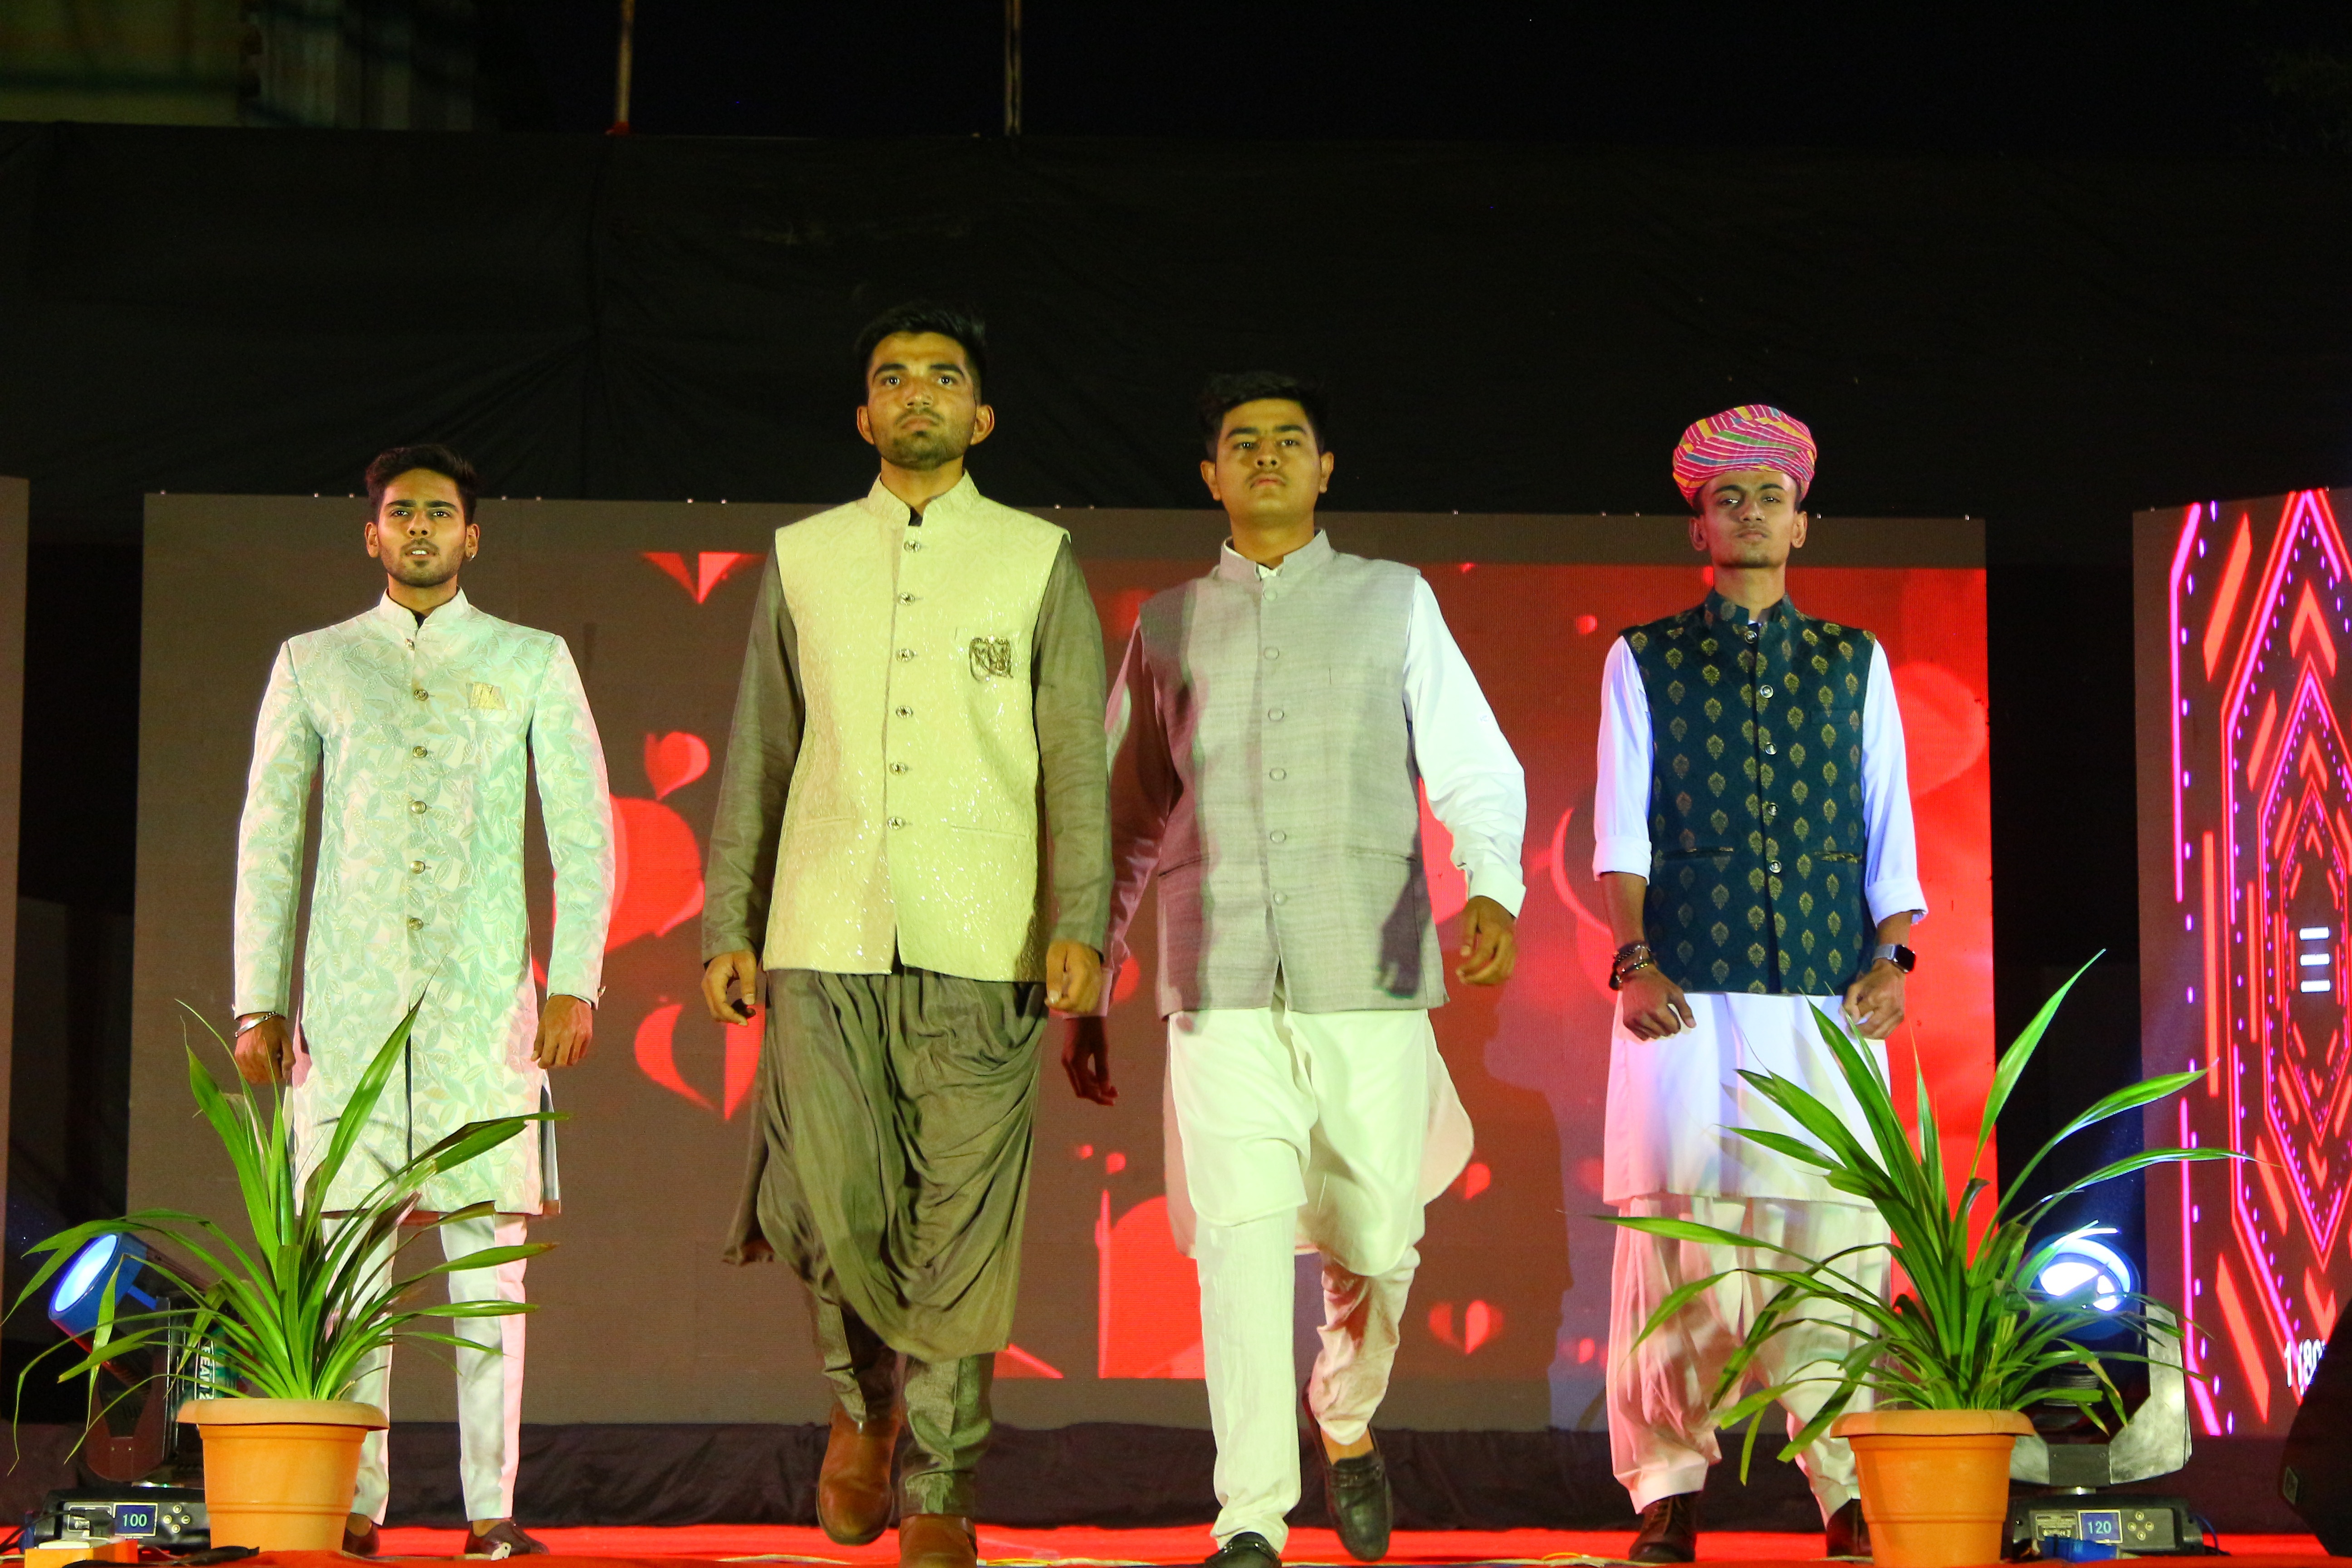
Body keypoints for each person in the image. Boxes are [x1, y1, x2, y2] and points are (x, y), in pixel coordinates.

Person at [1069, 373, 1526, 1568]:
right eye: (1242, 443)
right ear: (1210, 475)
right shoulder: (1168, 624)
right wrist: (1095, 974)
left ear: (1325, 469)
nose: (1265, 457)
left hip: (1368, 968)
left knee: (1377, 1243)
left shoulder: (1395, 600)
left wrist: (1492, 885)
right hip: (1217, 980)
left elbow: (1475, 762)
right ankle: (1251, 1516)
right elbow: (1124, 817)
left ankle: (1348, 1415)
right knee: (1237, 1243)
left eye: (1289, 441)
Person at [701, 302, 1112, 1568]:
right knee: (828, 1199)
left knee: (961, 1220)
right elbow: (762, 748)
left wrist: (1082, 923)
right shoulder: (807, 554)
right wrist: (729, 920)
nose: (916, 392)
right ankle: (860, 1401)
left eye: (943, 377)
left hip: (986, 935)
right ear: (864, 413)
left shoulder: (1037, 559)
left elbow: (1076, 761)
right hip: (821, 925)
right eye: (893, 377)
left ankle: (940, 1478)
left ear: (981, 417)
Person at [232, 444, 615, 1558]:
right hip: (348, 1010)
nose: (419, 529)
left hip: (483, 1002)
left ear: (472, 536)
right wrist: (257, 1001)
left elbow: (584, 831)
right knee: (351, 1262)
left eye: (440, 513)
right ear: (372, 534)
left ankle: (493, 1509)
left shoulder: (530, 659)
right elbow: (270, 839)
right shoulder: (315, 662)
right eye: (400, 512)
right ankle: (356, 1502)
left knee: (488, 1261)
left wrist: (575, 980)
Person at [1592, 405, 1925, 1562]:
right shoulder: (1641, 657)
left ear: (1802, 524)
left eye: (1770, 497)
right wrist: (1634, 961)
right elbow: (1622, 831)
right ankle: (1669, 1488)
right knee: (1675, 1238)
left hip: (1831, 999)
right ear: (1700, 529)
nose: (1749, 514)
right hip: (1684, 998)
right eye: (1726, 499)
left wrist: (1893, 957)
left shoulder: (1854, 661)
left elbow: (1890, 829)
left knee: (1836, 1240)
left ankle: (1845, 1490)